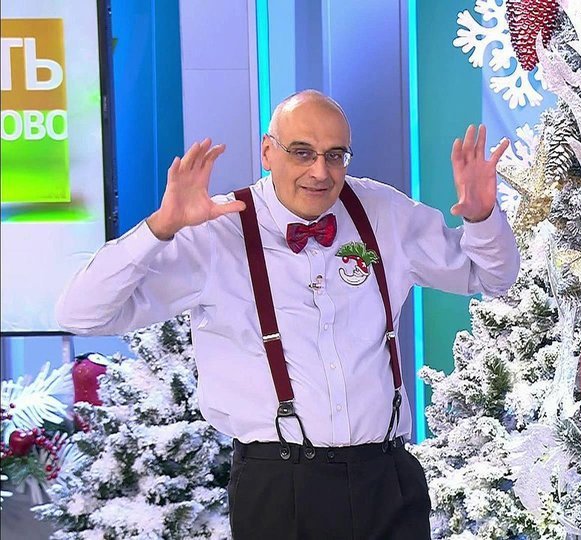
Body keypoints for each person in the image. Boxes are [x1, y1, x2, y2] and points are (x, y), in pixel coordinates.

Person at [56, 90, 521, 539]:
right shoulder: (216, 232)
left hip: (387, 478)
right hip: (279, 486)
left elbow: (491, 277)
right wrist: (160, 227)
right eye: (302, 152)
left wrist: (481, 217)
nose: (320, 172)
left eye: (335, 155)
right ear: (267, 151)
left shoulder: (383, 212)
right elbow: (81, 314)